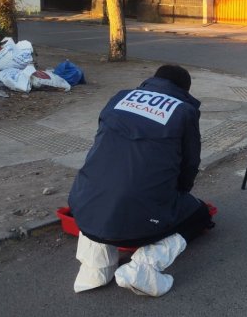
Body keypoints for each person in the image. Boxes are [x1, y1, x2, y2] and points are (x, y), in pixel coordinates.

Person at [68, 64, 213, 297]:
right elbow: (189, 163)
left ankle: (94, 268)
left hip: (83, 206)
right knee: (199, 214)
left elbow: (101, 142)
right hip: (140, 216)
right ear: (184, 90)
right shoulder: (183, 111)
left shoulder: (120, 97)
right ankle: (142, 268)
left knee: (105, 197)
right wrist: (180, 193)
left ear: (152, 80)